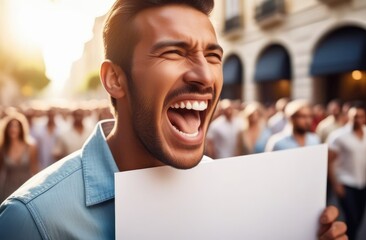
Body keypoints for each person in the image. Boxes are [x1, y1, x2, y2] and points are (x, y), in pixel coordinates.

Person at [0, 1, 346, 239]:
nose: (204, 76)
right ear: (115, 80)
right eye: (174, 52)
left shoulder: (234, 194)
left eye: (213, 56)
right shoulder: (32, 220)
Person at [327, 103, 366, 240]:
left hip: (362, 183)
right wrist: (336, 184)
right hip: (346, 182)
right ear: (349, 116)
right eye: (355, 116)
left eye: (361, 116)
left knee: (360, 217)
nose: (358, 119)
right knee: (352, 219)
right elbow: (330, 161)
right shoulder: (338, 136)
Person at [0, 112, 39, 202]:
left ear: (21, 129)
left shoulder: (30, 146)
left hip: (27, 186)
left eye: (16, 126)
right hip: (8, 188)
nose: (13, 129)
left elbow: (35, 168)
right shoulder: (2, 148)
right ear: (6, 129)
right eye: (10, 126)